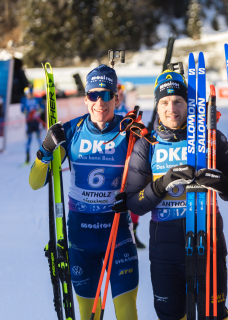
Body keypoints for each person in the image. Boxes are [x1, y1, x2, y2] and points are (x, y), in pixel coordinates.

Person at [113, 69, 228, 320]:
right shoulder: (147, 145)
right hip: (165, 254)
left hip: (208, 245)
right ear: (157, 107)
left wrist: (220, 182)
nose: (172, 108)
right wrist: (163, 183)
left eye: (178, 101)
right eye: (165, 102)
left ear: (188, 104)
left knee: (213, 315)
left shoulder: (211, 139)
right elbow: (135, 204)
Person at [28, 65, 139, 320]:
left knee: (126, 314)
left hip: (118, 236)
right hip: (81, 239)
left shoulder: (129, 132)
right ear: (86, 98)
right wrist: (45, 152)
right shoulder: (71, 131)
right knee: (89, 315)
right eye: (93, 95)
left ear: (117, 97)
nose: (100, 102)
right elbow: (36, 182)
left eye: (107, 94)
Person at [114, 79, 146, 249]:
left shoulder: (127, 111)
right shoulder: (104, 110)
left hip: (128, 162)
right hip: (113, 162)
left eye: (121, 89)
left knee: (134, 199)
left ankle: (132, 234)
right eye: (116, 89)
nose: (119, 92)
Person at [21, 85, 44, 163]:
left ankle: (42, 157)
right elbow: (22, 109)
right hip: (29, 123)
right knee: (28, 140)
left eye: (30, 93)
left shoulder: (37, 99)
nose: (29, 95)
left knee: (39, 139)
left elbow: (42, 107)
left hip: (37, 122)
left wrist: (38, 112)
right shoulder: (24, 100)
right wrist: (28, 113)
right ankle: (27, 158)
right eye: (27, 94)